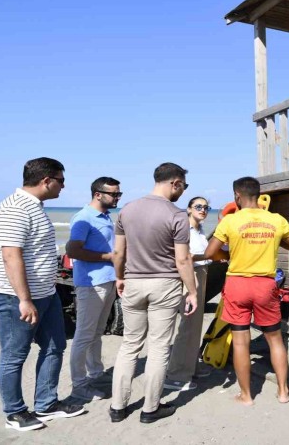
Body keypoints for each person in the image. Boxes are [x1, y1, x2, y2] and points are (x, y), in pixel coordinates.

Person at [0, 157, 83, 432]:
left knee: (54, 347)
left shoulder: (34, 206)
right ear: (46, 180)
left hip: (46, 293)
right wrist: (24, 300)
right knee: (14, 355)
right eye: (61, 181)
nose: (63, 186)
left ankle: (46, 404)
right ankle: (14, 413)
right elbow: (10, 256)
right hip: (14, 297)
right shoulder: (16, 207)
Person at [109, 162, 198, 424]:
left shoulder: (127, 210)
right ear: (175, 183)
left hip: (134, 281)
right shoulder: (176, 215)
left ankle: (117, 407)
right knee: (159, 347)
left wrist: (120, 277)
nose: (183, 191)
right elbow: (182, 260)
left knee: (129, 345)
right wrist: (192, 291)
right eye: (183, 186)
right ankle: (150, 408)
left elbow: (119, 252)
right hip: (165, 284)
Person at [204, 176, 289, 406]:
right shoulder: (276, 219)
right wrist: (275, 241)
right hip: (265, 285)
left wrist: (227, 254)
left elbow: (209, 253)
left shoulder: (230, 221)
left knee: (241, 342)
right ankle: (283, 392)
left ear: (237, 196)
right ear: (258, 195)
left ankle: (246, 396)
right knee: (275, 340)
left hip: (237, 284)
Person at [66, 177, 122, 401]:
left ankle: (95, 373)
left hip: (107, 280)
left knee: (97, 332)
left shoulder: (105, 216)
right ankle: (79, 384)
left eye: (119, 194)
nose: (117, 198)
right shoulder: (84, 217)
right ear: (98, 194)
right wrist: (108, 257)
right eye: (114, 194)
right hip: (91, 284)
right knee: (84, 335)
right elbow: (73, 250)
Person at [164, 196, 214, 391]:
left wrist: (212, 257)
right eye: (198, 206)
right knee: (188, 325)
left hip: (202, 273)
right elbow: (184, 257)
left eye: (206, 207)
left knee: (195, 325)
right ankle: (176, 375)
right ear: (188, 209)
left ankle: (190, 366)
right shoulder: (184, 229)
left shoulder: (199, 230)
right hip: (190, 275)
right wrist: (209, 255)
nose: (203, 210)